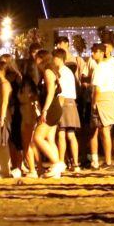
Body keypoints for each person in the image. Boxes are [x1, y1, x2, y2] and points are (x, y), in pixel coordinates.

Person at [32, 50, 66, 178]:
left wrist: (44, 111)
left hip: (51, 108)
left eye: (37, 58)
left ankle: (57, 163)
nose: (35, 61)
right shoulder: (48, 72)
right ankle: (56, 171)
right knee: (50, 139)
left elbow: (51, 92)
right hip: (53, 107)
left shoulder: (48, 72)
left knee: (37, 137)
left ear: (42, 59)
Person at [89, 43, 114, 170]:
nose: (92, 54)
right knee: (105, 130)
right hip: (111, 97)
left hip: (102, 98)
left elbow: (97, 89)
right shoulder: (109, 67)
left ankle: (108, 161)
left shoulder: (99, 68)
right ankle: (107, 160)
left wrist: (93, 103)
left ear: (102, 53)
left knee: (104, 131)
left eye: (95, 52)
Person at [53, 48, 83, 172]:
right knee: (71, 134)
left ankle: (61, 162)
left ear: (59, 59)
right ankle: (75, 163)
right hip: (71, 103)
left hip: (64, 102)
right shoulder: (68, 72)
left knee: (61, 133)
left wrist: (56, 109)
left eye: (53, 58)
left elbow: (62, 93)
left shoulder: (62, 72)